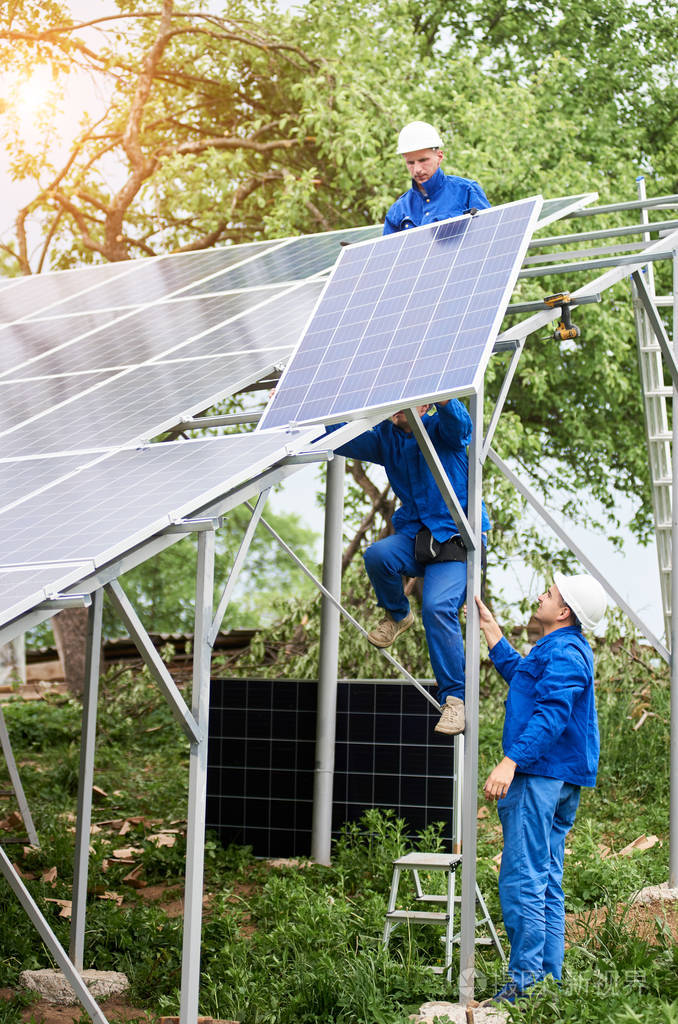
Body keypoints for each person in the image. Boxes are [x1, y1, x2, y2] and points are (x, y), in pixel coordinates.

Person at [475, 573, 607, 1004]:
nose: (541, 595)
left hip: (541, 776)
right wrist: (493, 633)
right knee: (545, 878)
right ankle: (546, 983)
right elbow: (525, 678)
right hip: (557, 776)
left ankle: (524, 985)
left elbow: (551, 714)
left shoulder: (567, 653)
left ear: (564, 611)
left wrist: (511, 761)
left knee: (522, 879)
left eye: (549, 593)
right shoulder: (556, 649)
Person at [333, 400, 490, 735]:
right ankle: (397, 614)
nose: (399, 408)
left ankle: (455, 701)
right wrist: (300, 408)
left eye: (410, 401)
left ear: (425, 406)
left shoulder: (441, 430)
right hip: (418, 538)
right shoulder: (386, 438)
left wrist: (442, 393)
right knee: (378, 555)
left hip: (458, 538)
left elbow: (461, 427)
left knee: (436, 607)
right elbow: (339, 438)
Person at [383, 120, 490, 235]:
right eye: (411, 163)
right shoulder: (397, 211)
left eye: (423, 160)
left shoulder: (467, 191)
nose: (417, 169)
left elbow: (488, 236)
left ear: (439, 157)